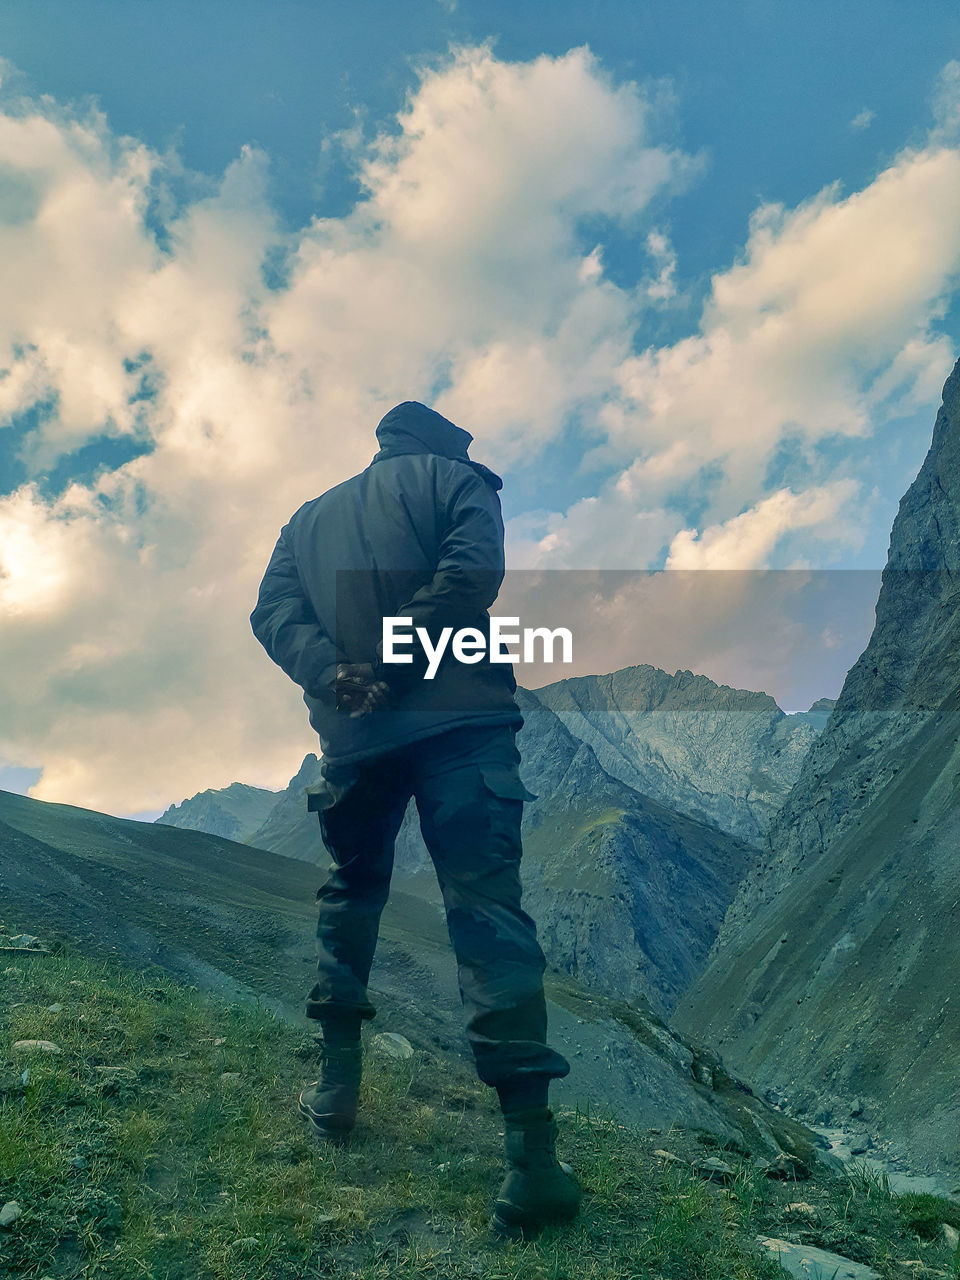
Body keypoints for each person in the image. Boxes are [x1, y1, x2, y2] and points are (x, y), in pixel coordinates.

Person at [249, 400, 580, 1237]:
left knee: (351, 896)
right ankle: (531, 1166)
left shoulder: (306, 520)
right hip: (461, 728)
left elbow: (273, 614)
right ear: (440, 445)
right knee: (487, 914)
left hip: (356, 739)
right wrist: (402, 659)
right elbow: (471, 576)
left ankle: (335, 1096)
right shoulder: (459, 483)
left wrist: (339, 677)